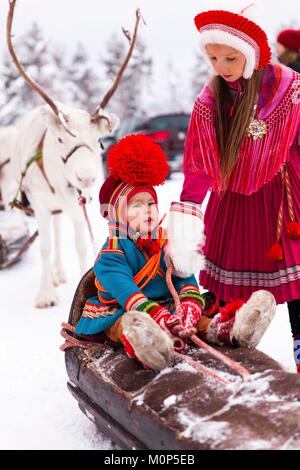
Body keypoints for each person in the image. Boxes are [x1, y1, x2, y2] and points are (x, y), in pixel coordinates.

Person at [167, 3, 300, 372]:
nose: (221, 68)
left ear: (251, 56)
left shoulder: (289, 90)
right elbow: (199, 162)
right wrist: (189, 211)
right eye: (212, 59)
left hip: (285, 198)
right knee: (228, 279)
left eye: (229, 58)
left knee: (297, 281)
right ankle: (218, 335)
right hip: (234, 201)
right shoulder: (211, 102)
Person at [75, 133, 275, 371]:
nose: (147, 211)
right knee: (124, 325)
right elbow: (126, 291)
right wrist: (155, 314)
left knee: (197, 320)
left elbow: (182, 273)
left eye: (150, 204)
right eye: (136, 206)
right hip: (124, 309)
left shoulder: (165, 241)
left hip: (168, 307)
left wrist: (189, 303)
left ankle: (229, 331)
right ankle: (147, 344)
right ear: (118, 214)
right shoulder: (112, 254)